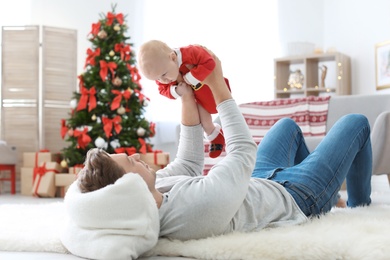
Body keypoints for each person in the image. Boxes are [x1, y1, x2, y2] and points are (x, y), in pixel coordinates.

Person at [62, 49, 372, 259]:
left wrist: (185, 98)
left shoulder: (155, 190)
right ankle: (357, 205)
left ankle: (330, 192)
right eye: (130, 162)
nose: (136, 156)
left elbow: (188, 162)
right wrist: (217, 84)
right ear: (128, 188)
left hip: (258, 182)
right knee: (356, 123)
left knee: (287, 126)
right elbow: (241, 155)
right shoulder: (191, 212)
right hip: (295, 197)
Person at [137, 39, 231, 158]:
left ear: (173, 58)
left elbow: (210, 61)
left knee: (226, 111)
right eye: (157, 79)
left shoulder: (190, 53)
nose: (163, 81)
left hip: (213, 89)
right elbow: (162, 90)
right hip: (199, 99)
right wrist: (176, 91)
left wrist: (190, 78)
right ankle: (215, 135)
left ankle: (230, 135)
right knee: (205, 122)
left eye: (164, 75)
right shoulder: (163, 70)